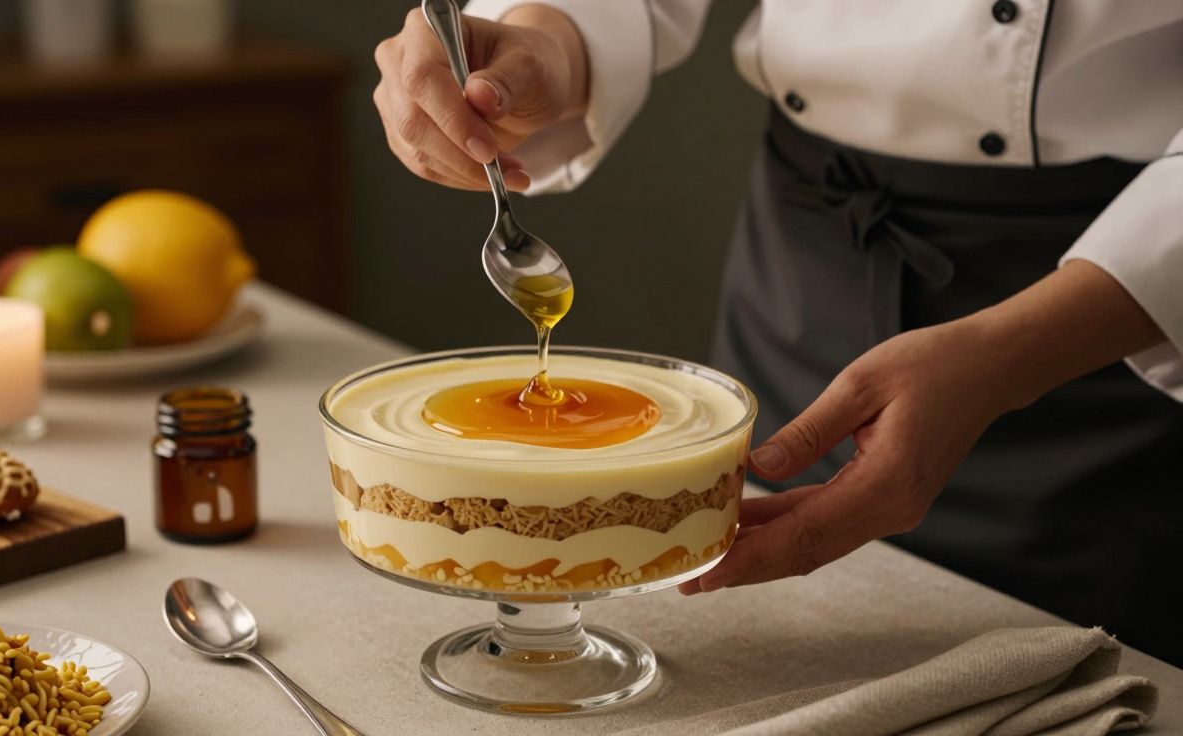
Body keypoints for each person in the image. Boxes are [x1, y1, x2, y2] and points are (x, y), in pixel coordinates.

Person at [371, 2, 1183, 665]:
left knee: (1088, 674)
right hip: (806, 262)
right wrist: (545, 40)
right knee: (786, 658)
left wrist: (1013, 356)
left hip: (1118, 316)